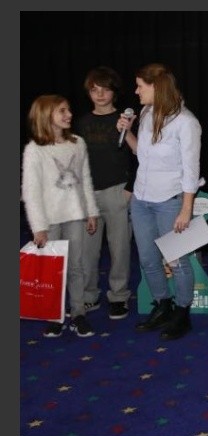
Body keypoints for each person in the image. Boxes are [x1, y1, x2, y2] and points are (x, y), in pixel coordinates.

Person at [121, 63, 202, 341]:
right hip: (142, 200)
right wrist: (128, 132)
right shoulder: (145, 113)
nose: (136, 91)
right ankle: (162, 304)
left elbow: (191, 169)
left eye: (140, 86)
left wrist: (186, 209)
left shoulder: (186, 122)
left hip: (170, 201)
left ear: (156, 86)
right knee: (147, 258)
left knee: (177, 260)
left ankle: (182, 313)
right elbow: (142, 155)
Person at [22, 94, 99, 338]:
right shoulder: (35, 149)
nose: (69, 115)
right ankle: (54, 315)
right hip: (49, 219)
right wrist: (39, 227)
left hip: (75, 215)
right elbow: (30, 191)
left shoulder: (78, 142)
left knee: (76, 266)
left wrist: (91, 212)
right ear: (46, 117)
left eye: (68, 110)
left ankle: (78, 314)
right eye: (62, 111)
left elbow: (85, 180)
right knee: (51, 269)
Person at [75, 66, 138, 321]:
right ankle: (89, 295)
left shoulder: (126, 121)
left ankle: (119, 296)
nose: (100, 95)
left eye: (105, 89)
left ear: (114, 92)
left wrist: (130, 189)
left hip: (117, 191)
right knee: (86, 250)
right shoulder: (80, 123)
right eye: (94, 90)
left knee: (120, 248)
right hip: (88, 194)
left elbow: (141, 158)